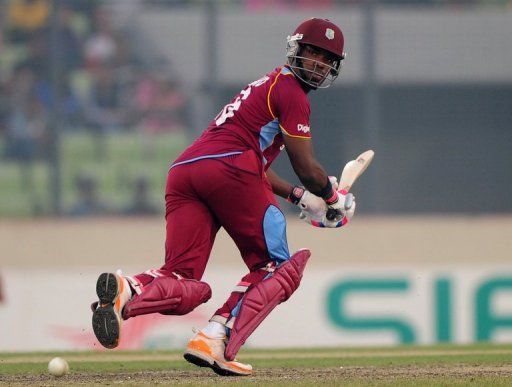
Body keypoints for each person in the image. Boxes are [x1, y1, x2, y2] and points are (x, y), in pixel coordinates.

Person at [91, 18, 356, 376]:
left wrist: (300, 197)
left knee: (186, 282)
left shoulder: (266, 84)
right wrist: (332, 197)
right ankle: (215, 337)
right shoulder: (292, 93)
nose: (317, 63)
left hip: (187, 170)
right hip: (231, 168)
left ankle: (129, 290)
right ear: (297, 49)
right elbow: (305, 167)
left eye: (326, 59)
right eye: (312, 52)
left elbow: (254, 160)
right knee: (275, 267)